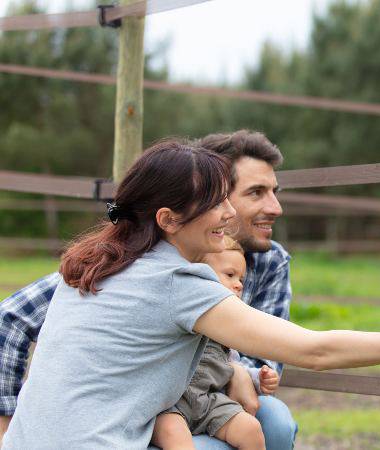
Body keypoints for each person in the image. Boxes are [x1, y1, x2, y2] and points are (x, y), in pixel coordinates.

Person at [1, 139, 380, 449]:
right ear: (168, 220)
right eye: (215, 204)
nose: (229, 215)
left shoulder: (93, 264)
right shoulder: (176, 283)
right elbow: (313, 350)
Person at [0, 130, 299, 450]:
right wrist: (6, 423)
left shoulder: (270, 262)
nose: (275, 207)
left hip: (214, 398)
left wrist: (238, 371)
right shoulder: (138, 267)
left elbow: (268, 361)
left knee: (275, 421)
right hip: (150, 413)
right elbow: (13, 316)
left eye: (274, 191)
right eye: (255, 193)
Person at [152, 236, 276, 450]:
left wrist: (257, 377)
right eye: (229, 275)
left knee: (250, 429)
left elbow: (232, 362)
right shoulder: (178, 311)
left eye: (241, 279)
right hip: (170, 405)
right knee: (175, 435)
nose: (238, 285)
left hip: (209, 401)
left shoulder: (229, 326)